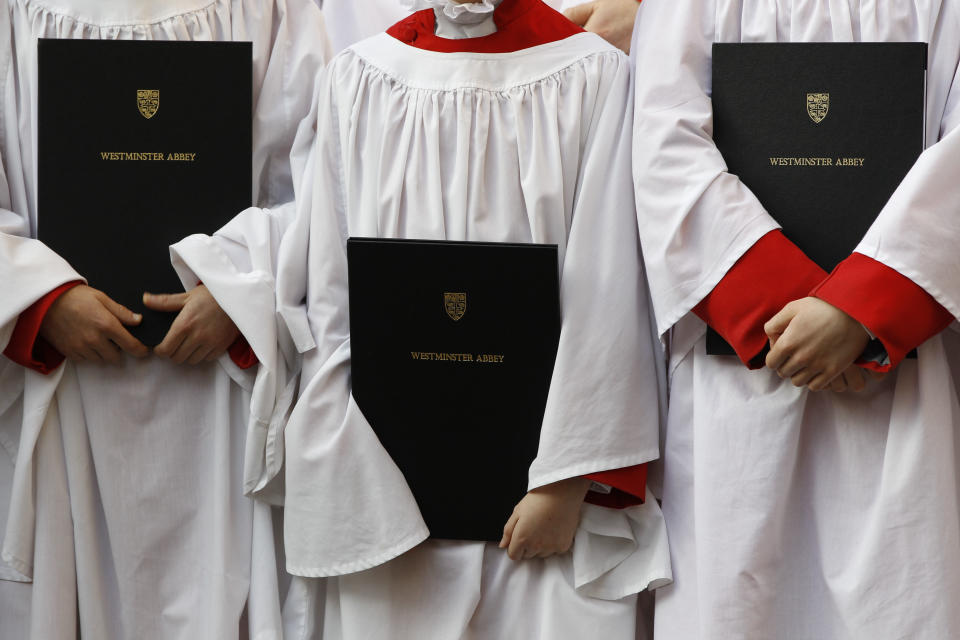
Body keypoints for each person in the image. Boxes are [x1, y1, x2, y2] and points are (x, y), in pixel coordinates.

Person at [273, 0, 671, 638]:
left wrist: (570, 480)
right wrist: (354, 463)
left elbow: (611, 280)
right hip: (391, 485)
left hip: (542, 488)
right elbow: (330, 291)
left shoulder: (593, 73)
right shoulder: (359, 76)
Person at [0, 0, 330, 637]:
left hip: (216, 394)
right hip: (66, 385)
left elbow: (319, 179)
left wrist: (237, 287)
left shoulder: (265, 9)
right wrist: (41, 298)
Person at [632, 0, 960, 637]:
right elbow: (661, 143)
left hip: (905, 380)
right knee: (736, 596)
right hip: (742, 379)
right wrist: (785, 308)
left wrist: (863, 308)